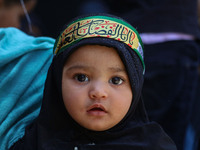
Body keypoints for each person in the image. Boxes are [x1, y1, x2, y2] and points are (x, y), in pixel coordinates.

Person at [8, 14, 177, 150]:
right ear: (56, 82)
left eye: (116, 80)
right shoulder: (33, 143)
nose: (98, 92)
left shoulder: (154, 145)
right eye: (81, 78)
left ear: (136, 86)